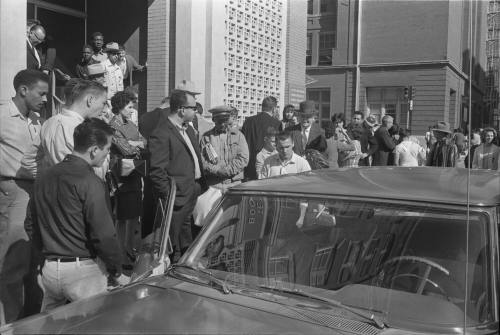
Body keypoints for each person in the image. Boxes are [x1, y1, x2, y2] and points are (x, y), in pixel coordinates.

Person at [34, 119, 128, 312]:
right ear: (94, 150)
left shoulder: (44, 176)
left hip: (51, 269)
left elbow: (32, 224)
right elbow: (103, 234)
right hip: (82, 272)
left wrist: (47, 254)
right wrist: (116, 270)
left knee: (50, 327)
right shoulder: (90, 182)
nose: (107, 154)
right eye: (107, 149)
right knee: (95, 325)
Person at [0, 69, 48, 323]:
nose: (45, 99)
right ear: (23, 90)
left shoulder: (37, 120)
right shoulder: (2, 116)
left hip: (35, 190)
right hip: (13, 190)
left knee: (33, 259)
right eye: (41, 93)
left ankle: (29, 320)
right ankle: (9, 323)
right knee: (14, 261)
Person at [148, 90, 207, 258]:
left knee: (185, 234)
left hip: (192, 188)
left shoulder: (188, 129)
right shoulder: (161, 133)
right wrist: (169, 196)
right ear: (182, 110)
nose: (196, 111)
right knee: (172, 239)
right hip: (176, 195)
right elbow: (157, 171)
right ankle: (171, 269)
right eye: (193, 108)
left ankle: (182, 264)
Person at [109, 91, 147, 263]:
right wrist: (135, 145)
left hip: (135, 172)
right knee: (123, 216)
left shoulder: (130, 124)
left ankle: (129, 248)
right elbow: (126, 149)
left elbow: (144, 142)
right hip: (122, 174)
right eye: (130, 106)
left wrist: (135, 143)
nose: (132, 110)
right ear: (120, 106)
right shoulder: (113, 125)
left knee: (133, 214)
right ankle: (120, 252)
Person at [40, 79, 108, 169]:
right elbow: (97, 171)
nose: (105, 109)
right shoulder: (81, 129)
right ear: (90, 100)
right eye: (103, 103)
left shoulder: (48, 122)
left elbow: (29, 160)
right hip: (81, 181)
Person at [200, 106, 248, 191]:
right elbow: (202, 161)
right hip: (214, 185)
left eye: (225, 121)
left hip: (234, 184)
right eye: (219, 121)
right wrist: (217, 171)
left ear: (229, 119)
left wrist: (227, 171)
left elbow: (243, 158)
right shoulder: (206, 137)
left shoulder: (239, 136)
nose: (222, 124)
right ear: (213, 120)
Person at [241, 96, 282, 180]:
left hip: (248, 167)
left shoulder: (248, 121)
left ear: (262, 107)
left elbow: (242, 143)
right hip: (268, 167)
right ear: (274, 109)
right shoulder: (277, 123)